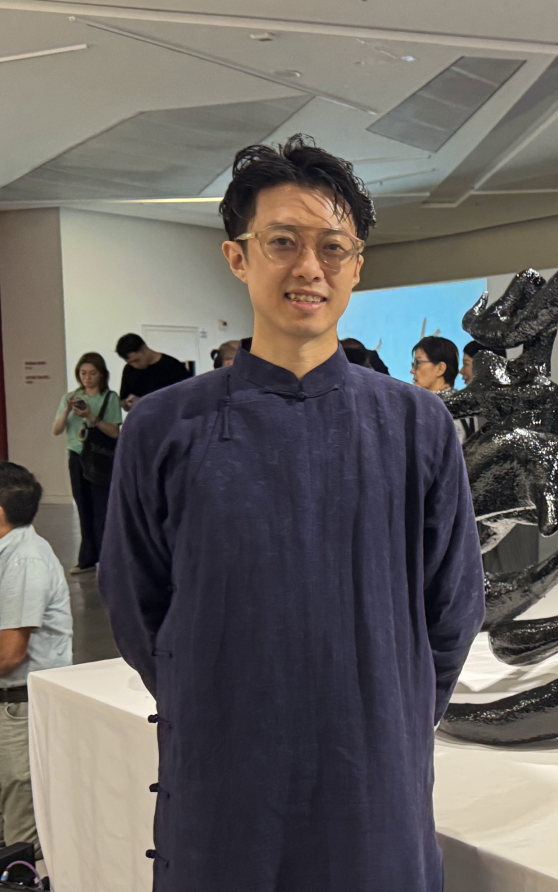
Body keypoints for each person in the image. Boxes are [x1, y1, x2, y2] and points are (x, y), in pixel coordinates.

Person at [99, 134, 485, 892]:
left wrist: (395, 708)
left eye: (333, 248)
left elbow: (455, 604)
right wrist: (207, 688)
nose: (310, 267)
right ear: (238, 257)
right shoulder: (165, 426)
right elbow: (135, 598)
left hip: (373, 773)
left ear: (357, 266)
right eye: (283, 242)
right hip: (223, 765)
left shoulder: (417, 425)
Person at [0, 462, 73, 858]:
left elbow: (10, 653)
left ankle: (23, 876)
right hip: (9, 700)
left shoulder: (25, 561)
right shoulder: (8, 551)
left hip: (20, 706)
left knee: (22, 827)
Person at [51, 353, 123, 573]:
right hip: (77, 456)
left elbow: (114, 432)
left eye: (92, 373)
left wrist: (91, 416)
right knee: (83, 508)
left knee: (102, 509)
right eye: (83, 373)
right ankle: (87, 558)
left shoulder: (109, 398)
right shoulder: (70, 397)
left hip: (100, 458)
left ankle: (108, 557)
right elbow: (56, 430)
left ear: (101, 374)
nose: (87, 378)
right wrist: (67, 410)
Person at [116, 334, 192, 411]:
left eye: (136, 360)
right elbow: (123, 400)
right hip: (142, 417)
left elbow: (187, 397)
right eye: (130, 362)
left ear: (144, 349)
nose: (135, 365)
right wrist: (127, 404)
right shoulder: (129, 370)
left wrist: (143, 402)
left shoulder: (172, 366)